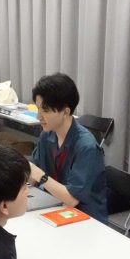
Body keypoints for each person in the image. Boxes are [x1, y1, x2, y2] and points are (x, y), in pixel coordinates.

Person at [28, 73, 107, 222]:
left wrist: (40, 176)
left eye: (45, 110)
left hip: (84, 217)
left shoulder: (86, 146)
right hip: (54, 206)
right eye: (38, 109)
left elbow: (72, 199)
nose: (38, 117)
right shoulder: (47, 135)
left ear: (65, 112)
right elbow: (32, 173)